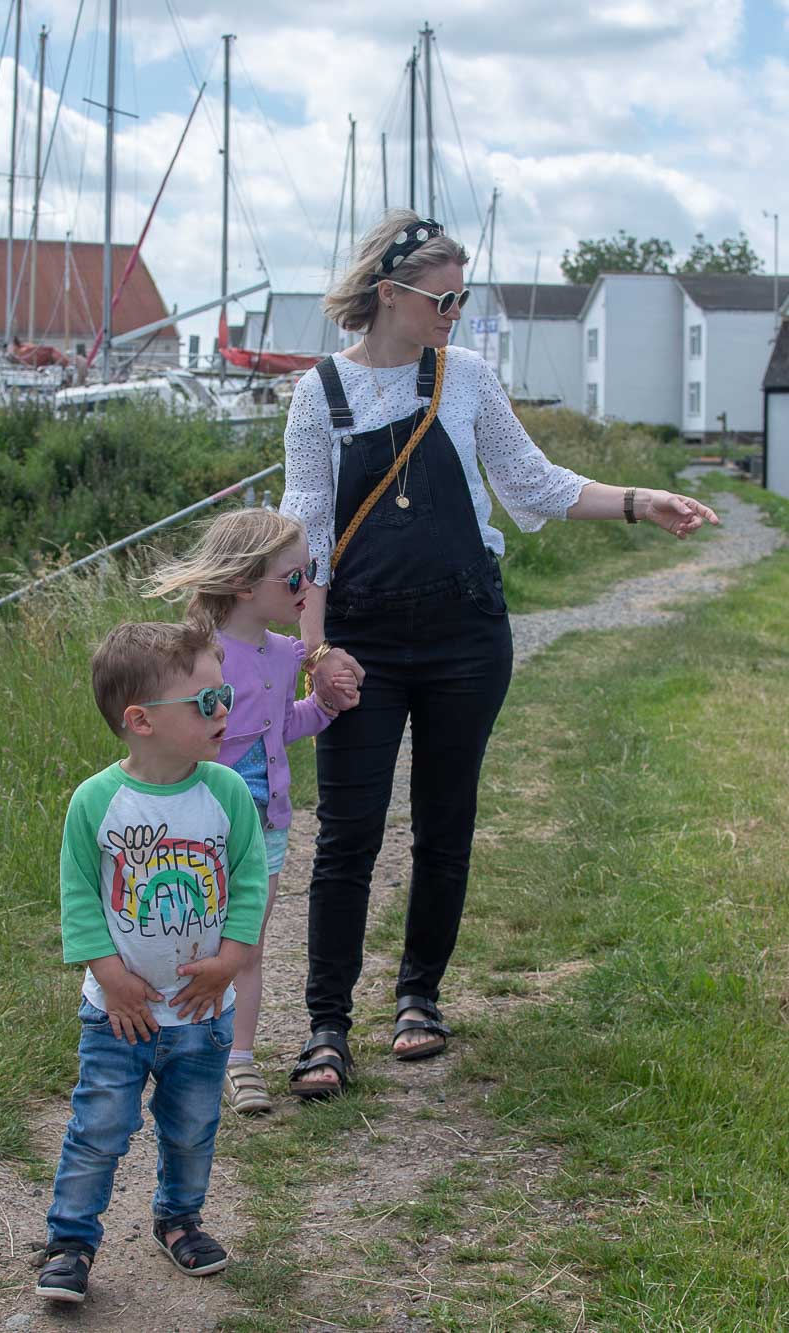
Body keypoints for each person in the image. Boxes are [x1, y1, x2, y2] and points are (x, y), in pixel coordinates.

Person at [280, 208, 719, 1098]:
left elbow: (535, 484)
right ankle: (327, 1025)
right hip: (360, 640)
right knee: (348, 833)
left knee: (446, 821)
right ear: (390, 293)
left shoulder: (467, 377)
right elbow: (306, 536)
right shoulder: (318, 392)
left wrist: (640, 498)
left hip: (464, 634)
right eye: (446, 294)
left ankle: (419, 998)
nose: (458, 308)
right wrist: (313, 652)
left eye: (464, 294)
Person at [36, 620, 268, 1303]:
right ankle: (70, 1241)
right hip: (119, 1013)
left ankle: (179, 1219)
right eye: (205, 702)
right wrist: (108, 973)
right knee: (99, 1127)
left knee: (193, 1126)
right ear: (140, 720)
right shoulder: (97, 802)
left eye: (223, 695)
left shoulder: (225, 793)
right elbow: (79, 892)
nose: (223, 710)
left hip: (202, 1011)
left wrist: (230, 959)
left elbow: (249, 881)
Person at [146, 509, 359, 1114]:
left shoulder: (285, 653)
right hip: (198, 830)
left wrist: (324, 705)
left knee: (246, 945)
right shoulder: (199, 657)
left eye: (311, 574)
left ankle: (238, 1062)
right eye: (295, 579)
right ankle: (178, 1050)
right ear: (244, 586)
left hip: (264, 827)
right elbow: (179, 736)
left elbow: (280, 726)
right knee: (186, 938)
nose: (308, 588)